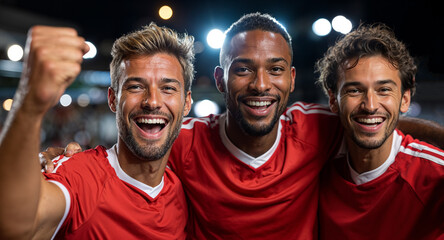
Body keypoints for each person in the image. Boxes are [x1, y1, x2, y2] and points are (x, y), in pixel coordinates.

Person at [42, 13, 444, 239]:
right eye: (243, 70)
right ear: (219, 80)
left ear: (290, 78)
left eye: (274, 70)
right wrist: (65, 163)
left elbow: (376, 118)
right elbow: (128, 151)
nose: (260, 85)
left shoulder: (317, 129)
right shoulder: (185, 140)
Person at [0, 22, 193, 239]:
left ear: (186, 103)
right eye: (136, 86)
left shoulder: (185, 191)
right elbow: (13, 228)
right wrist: (30, 103)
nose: (152, 101)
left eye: (168, 88)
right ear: (112, 99)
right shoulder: (80, 177)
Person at [315, 24, 444, 239]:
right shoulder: (313, 168)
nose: (370, 105)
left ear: (404, 99)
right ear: (332, 99)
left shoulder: (435, 176)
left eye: (384, 90)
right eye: (355, 90)